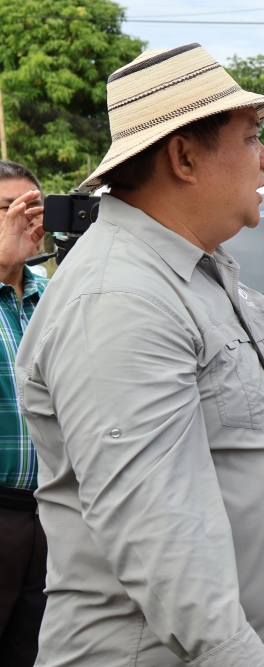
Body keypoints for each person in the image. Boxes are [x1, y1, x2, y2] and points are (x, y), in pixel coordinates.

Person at [14, 44, 264, 667]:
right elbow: (159, 537)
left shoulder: (199, 275)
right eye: (251, 137)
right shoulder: (119, 298)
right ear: (183, 157)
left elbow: (253, 462)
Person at [0, 161, 48, 667]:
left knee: (37, 651)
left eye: (34, 208)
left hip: (50, 513)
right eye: (9, 208)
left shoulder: (54, 297)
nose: (25, 219)